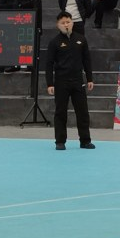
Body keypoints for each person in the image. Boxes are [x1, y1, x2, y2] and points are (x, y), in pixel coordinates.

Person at [44, 12, 96, 151]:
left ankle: (85, 140)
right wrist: (50, 83)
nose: (66, 25)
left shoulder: (81, 39)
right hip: (61, 81)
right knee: (60, 112)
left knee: (82, 111)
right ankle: (60, 141)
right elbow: (49, 64)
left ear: (72, 23)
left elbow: (87, 60)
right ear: (58, 25)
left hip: (78, 80)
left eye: (68, 22)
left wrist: (89, 78)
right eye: (63, 23)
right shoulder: (54, 42)